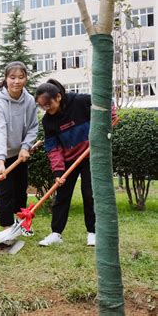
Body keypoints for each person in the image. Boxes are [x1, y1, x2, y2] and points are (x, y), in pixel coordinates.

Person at [35, 79, 99, 246]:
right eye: (42, 107)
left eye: (48, 104)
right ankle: (56, 233)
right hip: (69, 159)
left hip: (89, 155)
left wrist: (110, 117)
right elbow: (53, 148)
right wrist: (58, 172)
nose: (46, 109)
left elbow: (104, 101)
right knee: (61, 195)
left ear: (58, 97)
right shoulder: (48, 121)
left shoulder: (79, 101)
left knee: (89, 193)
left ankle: (93, 232)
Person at [0, 61, 38, 234]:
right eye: (12, 77)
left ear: (26, 78)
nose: (16, 81)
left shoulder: (29, 100)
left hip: (19, 153)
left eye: (21, 77)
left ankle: (21, 223)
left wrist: (26, 147)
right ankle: (7, 229)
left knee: (20, 190)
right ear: (6, 79)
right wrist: (1, 162)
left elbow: (33, 126)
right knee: (4, 192)